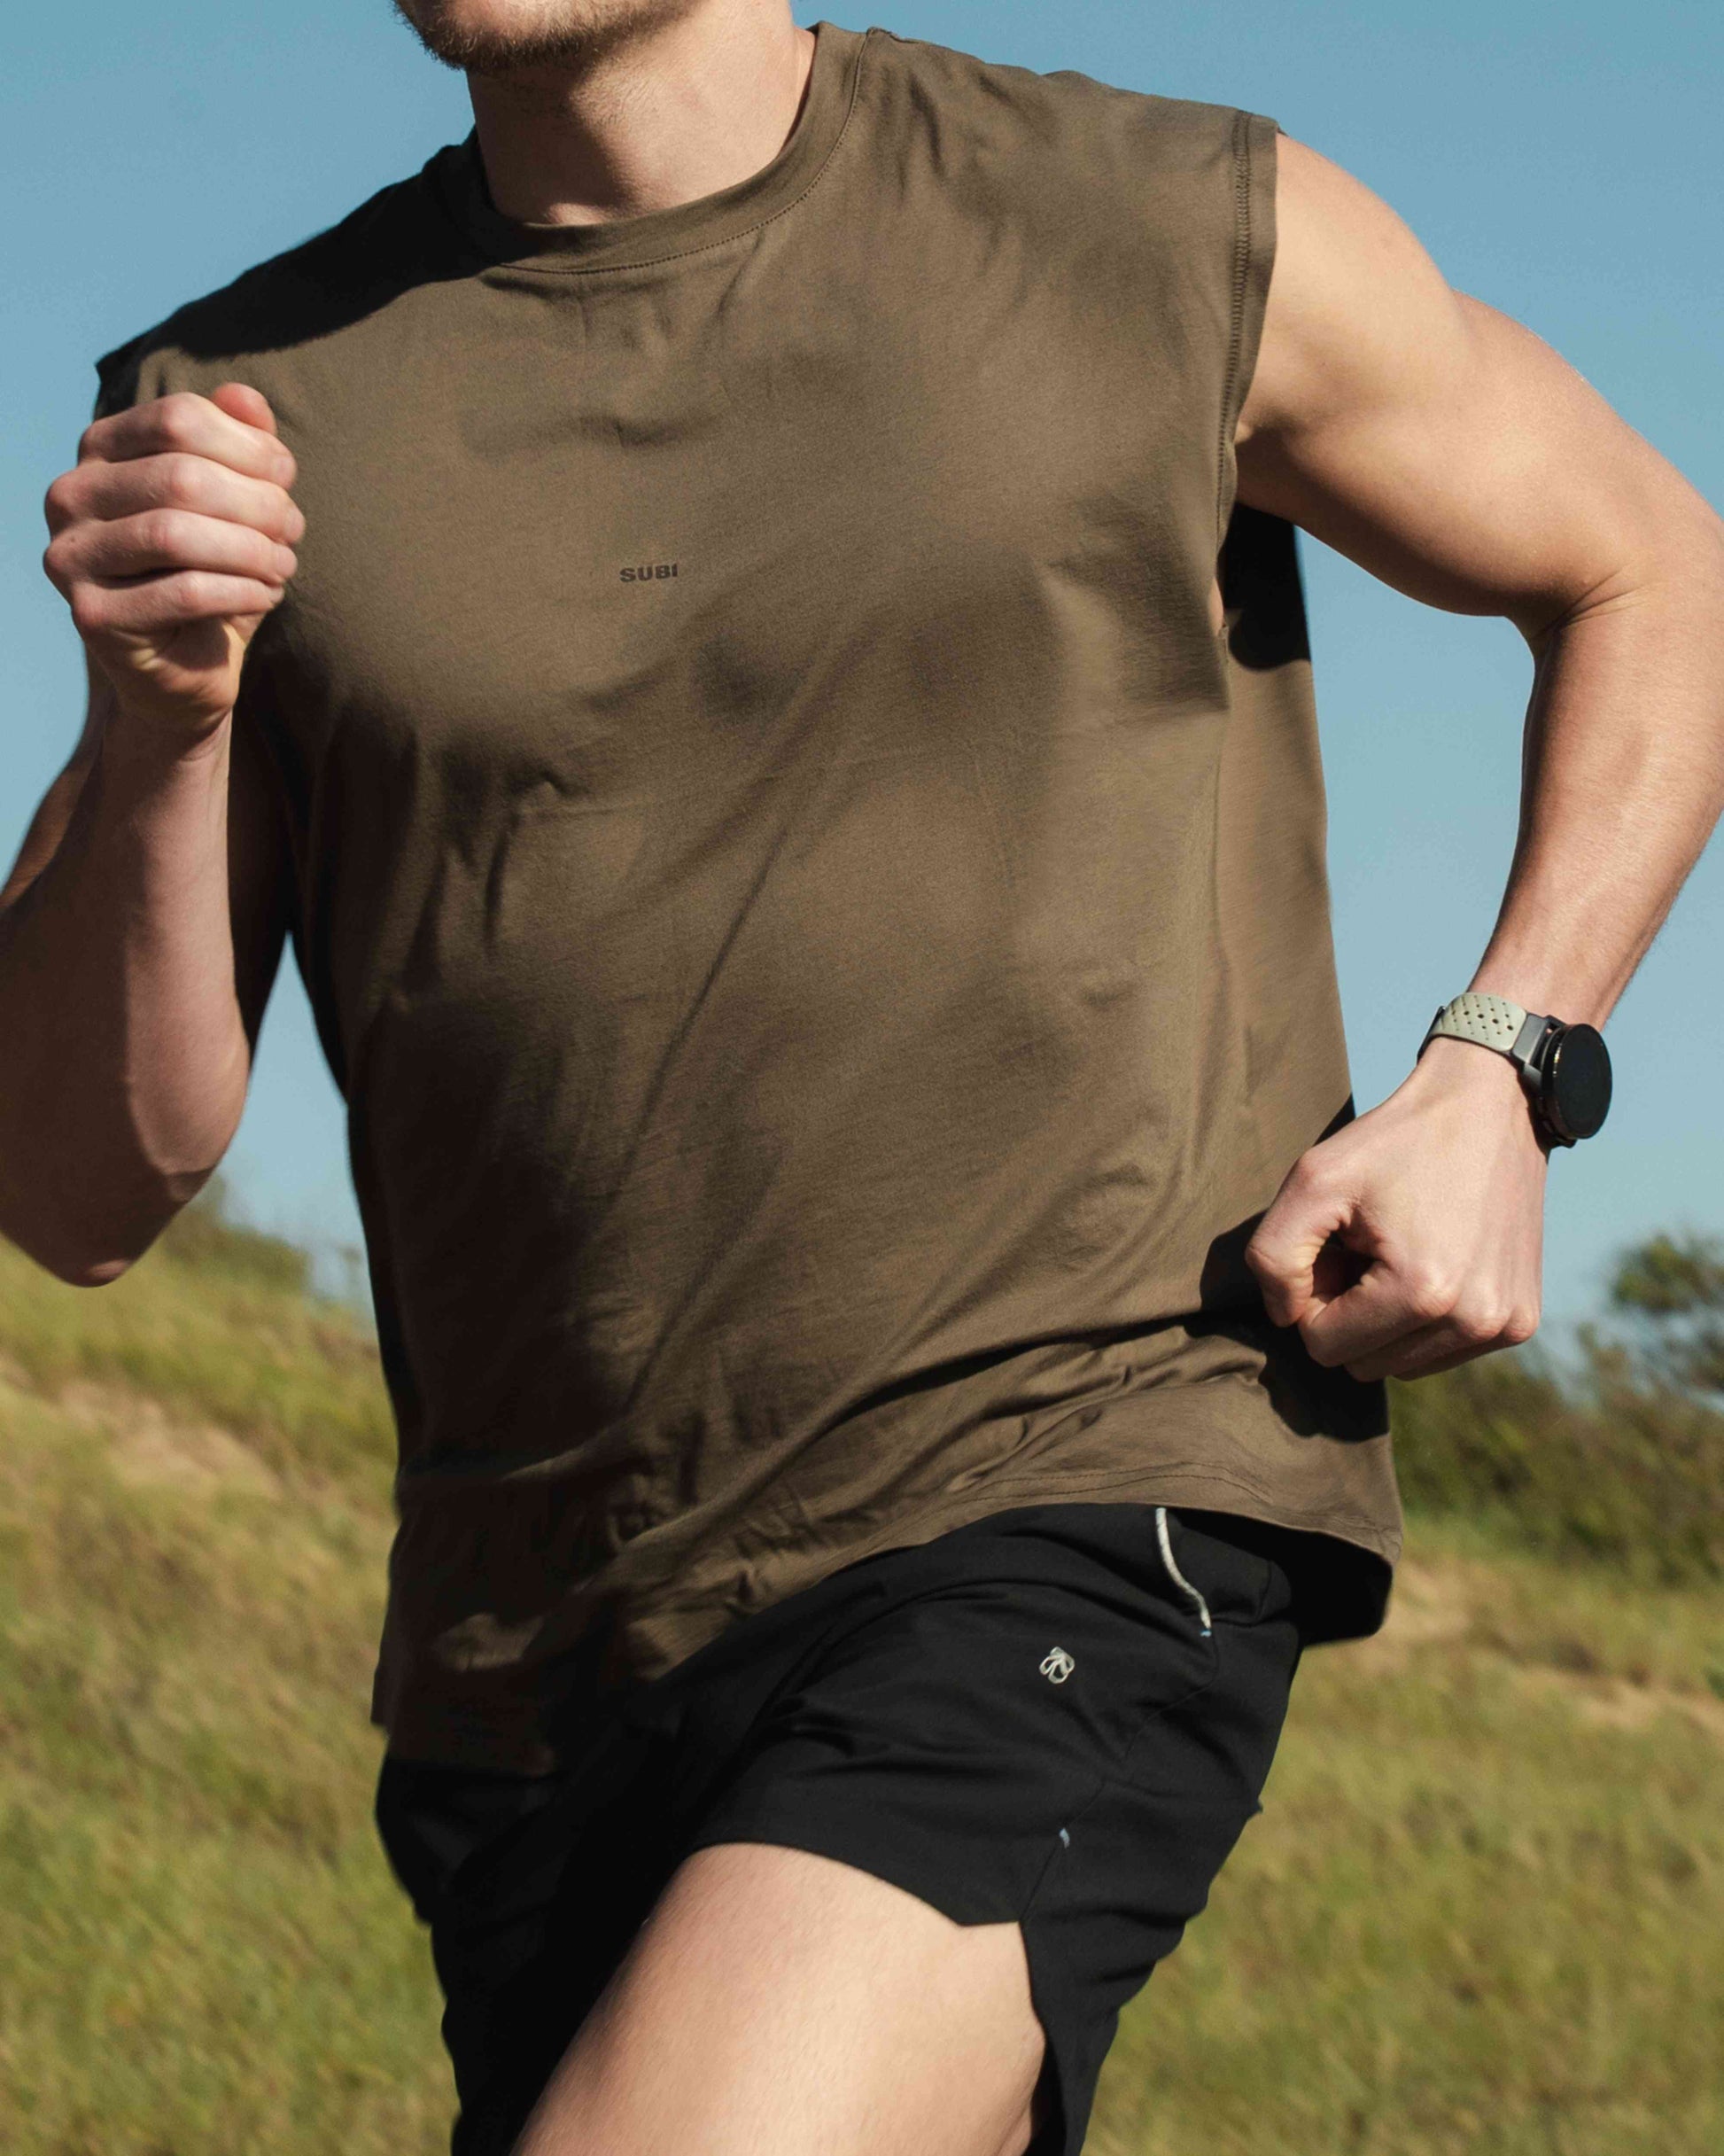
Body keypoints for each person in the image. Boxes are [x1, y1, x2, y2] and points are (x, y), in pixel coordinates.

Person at [5, 3, 1722, 2150]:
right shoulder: (236, 414)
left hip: (1066, 1484)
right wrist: (163, 720)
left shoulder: (1157, 225)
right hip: (541, 1659)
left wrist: (1502, 1062)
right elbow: (83, 1184)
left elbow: (1650, 561)